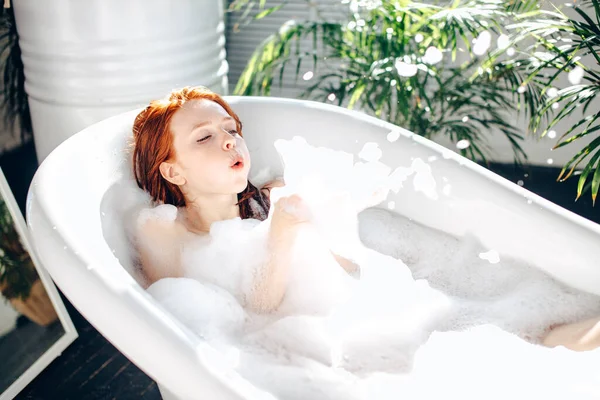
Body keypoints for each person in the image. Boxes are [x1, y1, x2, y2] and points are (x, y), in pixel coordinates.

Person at [131, 86, 356, 314]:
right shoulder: (162, 230)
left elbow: (350, 274)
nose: (229, 141)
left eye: (231, 130)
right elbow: (244, 315)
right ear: (173, 173)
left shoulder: (277, 199)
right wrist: (281, 231)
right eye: (204, 137)